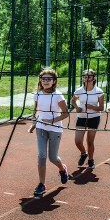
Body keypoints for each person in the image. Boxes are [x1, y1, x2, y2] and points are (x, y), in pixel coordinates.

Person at [28, 67, 71, 197]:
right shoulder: (38, 94)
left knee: (52, 157)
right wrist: (34, 124)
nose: (46, 81)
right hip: (41, 128)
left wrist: (53, 120)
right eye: (43, 79)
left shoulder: (58, 95)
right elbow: (35, 112)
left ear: (54, 81)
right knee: (41, 156)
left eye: (49, 79)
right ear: (40, 80)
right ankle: (42, 184)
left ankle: (62, 169)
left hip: (55, 129)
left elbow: (66, 113)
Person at [71, 69, 104, 169]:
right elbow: (73, 101)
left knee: (90, 142)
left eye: (89, 77)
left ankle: (91, 160)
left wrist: (92, 107)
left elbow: (102, 108)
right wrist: (77, 108)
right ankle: (83, 153)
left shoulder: (99, 91)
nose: (87, 79)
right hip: (81, 117)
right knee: (78, 141)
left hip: (94, 117)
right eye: (85, 77)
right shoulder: (79, 91)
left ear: (94, 78)